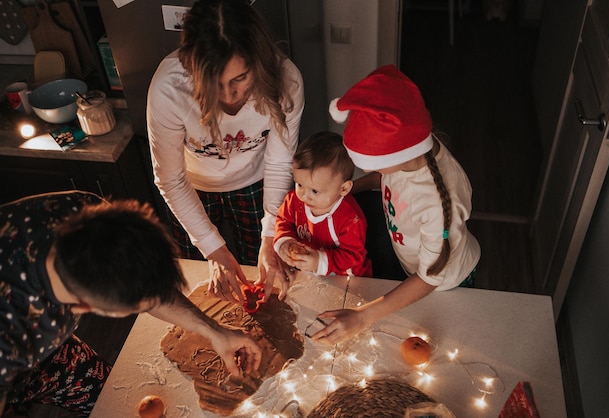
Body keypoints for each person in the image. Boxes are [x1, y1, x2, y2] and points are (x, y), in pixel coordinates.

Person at [0, 191, 261, 417]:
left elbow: (147, 288)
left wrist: (215, 331)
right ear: (82, 308)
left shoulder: (85, 212)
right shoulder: (9, 337)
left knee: (110, 404)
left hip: (52, 352)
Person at [147, 0, 305, 305]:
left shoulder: (287, 81)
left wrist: (271, 236)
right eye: (212, 83)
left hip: (256, 182)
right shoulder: (168, 88)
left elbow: (279, 161)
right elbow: (170, 178)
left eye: (239, 79)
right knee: (200, 279)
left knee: (259, 265)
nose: (228, 96)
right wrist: (214, 249)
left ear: (258, 62)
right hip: (189, 188)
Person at [313, 65, 481, 345]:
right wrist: (350, 190)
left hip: (447, 284)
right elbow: (385, 174)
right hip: (417, 270)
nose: (374, 170)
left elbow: (429, 279)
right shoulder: (413, 150)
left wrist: (362, 317)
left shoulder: (437, 204)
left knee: (438, 340)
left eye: (373, 164)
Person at [273, 131, 372, 277]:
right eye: (299, 184)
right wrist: (284, 241)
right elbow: (283, 221)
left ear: (343, 188)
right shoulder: (294, 200)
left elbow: (353, 256)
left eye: (315, 191)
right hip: (310, 273)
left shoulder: (351, 218)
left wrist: (320, 261)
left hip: (348, 278)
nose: (304, 196)